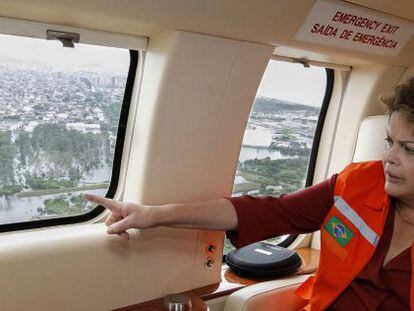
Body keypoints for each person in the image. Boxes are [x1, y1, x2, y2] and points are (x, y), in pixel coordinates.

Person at [85, 77, 414, 310]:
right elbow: (270, 211)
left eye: (408, 149)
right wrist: (154, 215)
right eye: (389, 142)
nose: (388, 157)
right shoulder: (358, 183)